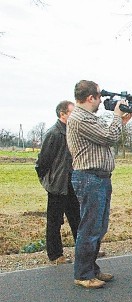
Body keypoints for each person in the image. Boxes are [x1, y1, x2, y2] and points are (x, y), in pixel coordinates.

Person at [66, 80, 132, 289]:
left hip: (99, 178)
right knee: (90, 227)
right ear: (90, 98)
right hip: (89, 177)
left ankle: (91, 268)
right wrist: (116, 116)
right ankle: (83, 274)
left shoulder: (88, 117)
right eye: (99, 96)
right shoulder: (78, 117)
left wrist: (121, 121)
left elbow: (107, 136)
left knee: (99, 227)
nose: (102, 100)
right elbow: (108, 137)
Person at [35, 100, 80, 265]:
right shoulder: (54, 133)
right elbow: (42, 162)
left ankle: (83, 250)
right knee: (54, 221)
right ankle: (55, 255)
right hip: (57, 185)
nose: (75, 116)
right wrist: (48, 181)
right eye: (72, 113)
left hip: (72, 183)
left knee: (77, 218)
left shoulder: (72, 132)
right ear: (63, 114)